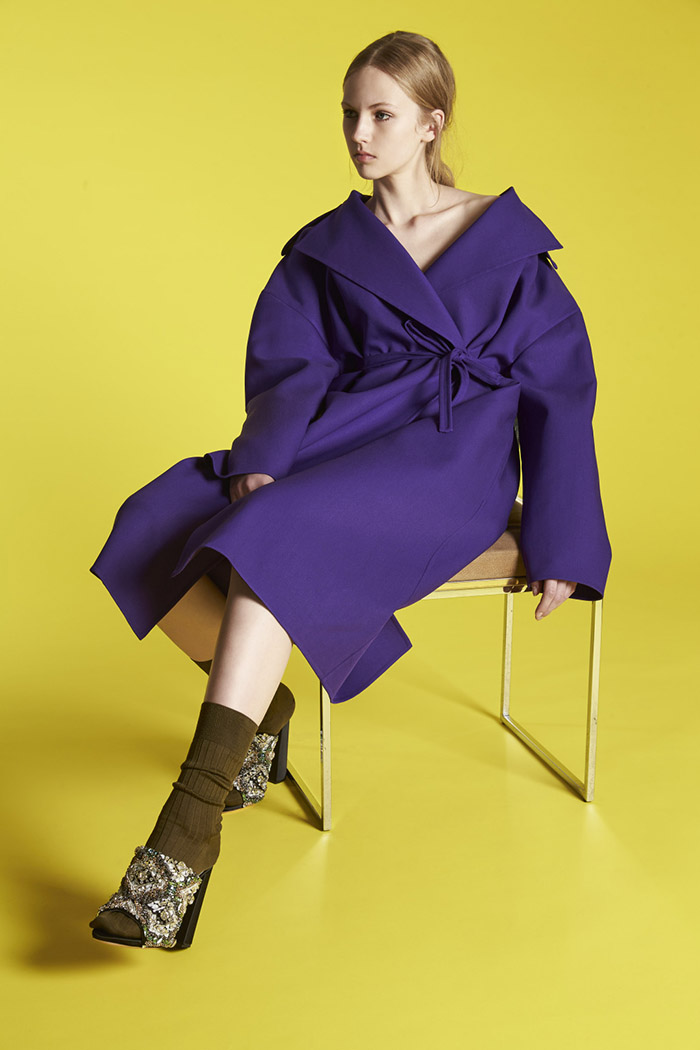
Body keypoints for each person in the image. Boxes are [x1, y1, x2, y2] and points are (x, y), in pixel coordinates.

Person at [88, 30, 612, 949]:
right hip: (344, 435)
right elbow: (292, 364)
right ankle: (264, 712)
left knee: (274, 536)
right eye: (349, 114)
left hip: (452, 461)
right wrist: (265, 453)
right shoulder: (329, 248)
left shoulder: (507, 246)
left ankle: (184, 838)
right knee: (152, 520)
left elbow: (560, 394)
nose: (359, 134)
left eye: (381, 115)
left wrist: (564, 538)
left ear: (430, 125)